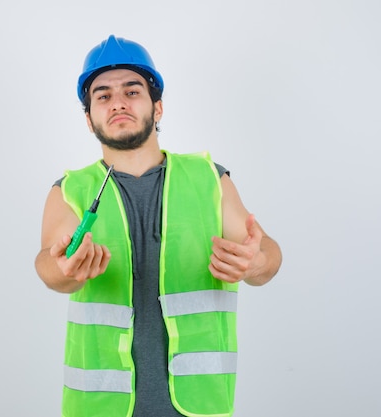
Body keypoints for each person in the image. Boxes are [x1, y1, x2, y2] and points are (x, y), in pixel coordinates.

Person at [35, 34, 282, 417]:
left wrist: (256, 263)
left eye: (132, 91)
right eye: (102, 95)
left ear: (158, 107)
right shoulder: (70, 190)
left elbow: (266, 252)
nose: (117, 102)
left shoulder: (208, 178)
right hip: (100, 406)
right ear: (88, 119)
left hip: (198, 404)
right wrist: (64, 267)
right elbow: (49, 266)